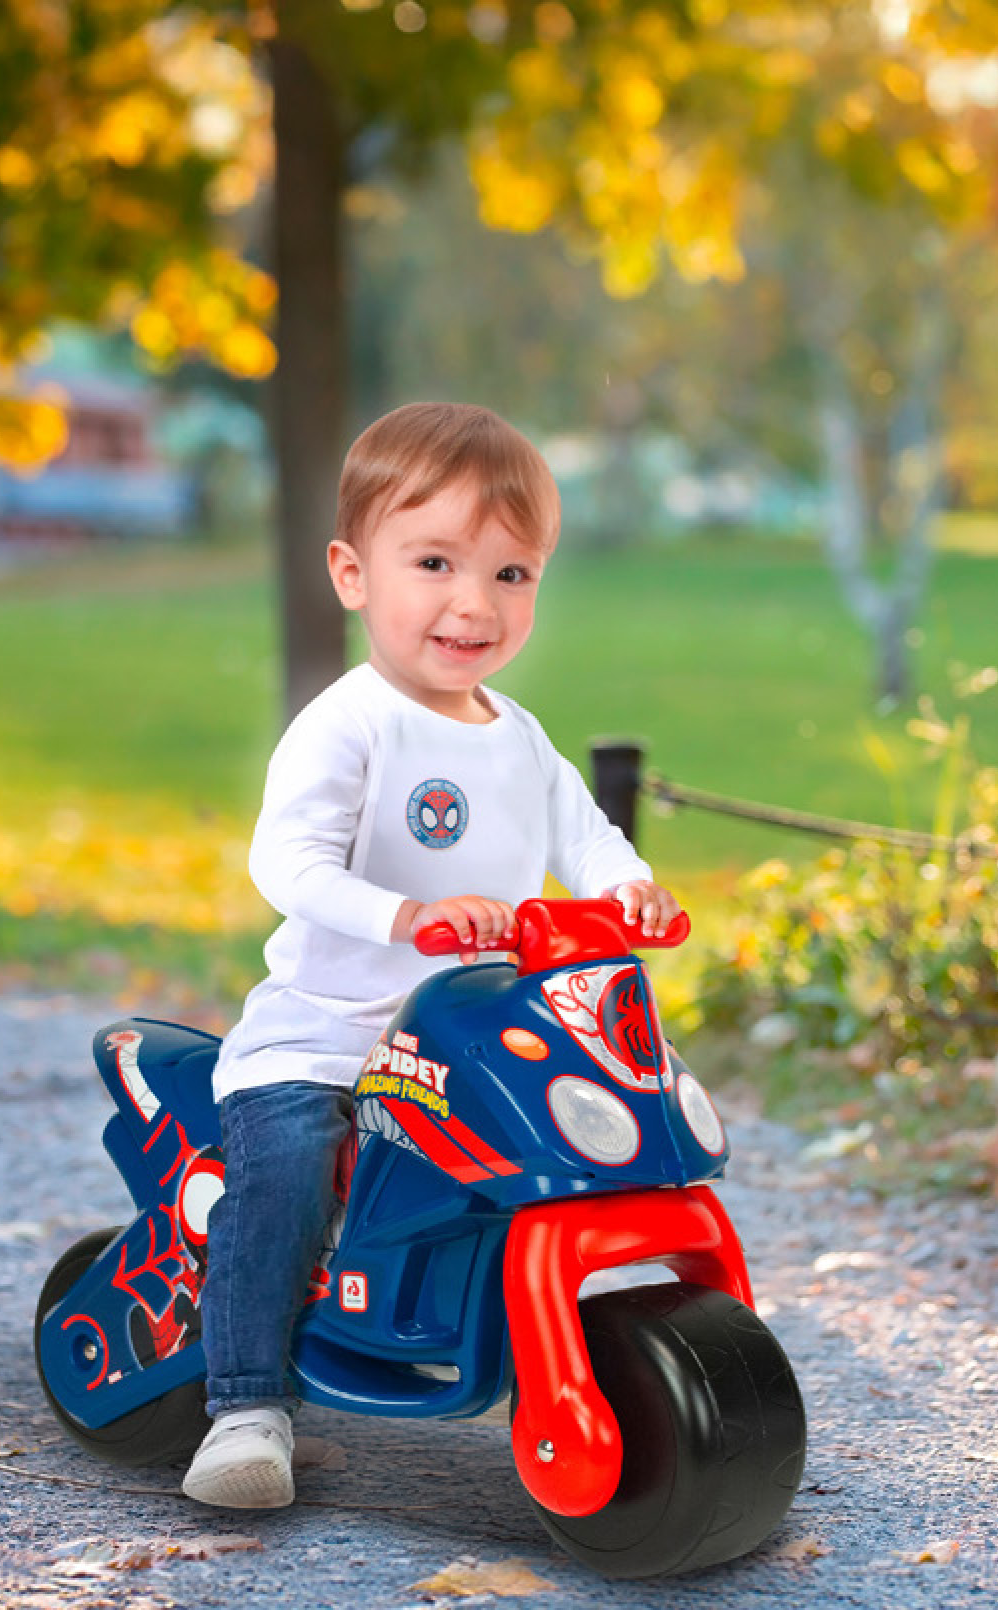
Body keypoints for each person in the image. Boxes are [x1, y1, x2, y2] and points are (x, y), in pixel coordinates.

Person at [182, 402, 681, 1509]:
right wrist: (404, 919)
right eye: (435, 561)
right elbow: (288, 861)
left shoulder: (518, 735)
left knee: (554, 1156)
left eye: (512, 574)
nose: (473, 601)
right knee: (289, 1164)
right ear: (353, 573)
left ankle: (513, 1337)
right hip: (328, 1032)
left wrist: (622, 886)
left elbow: (584, 836)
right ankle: (247, 1402)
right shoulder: (347, 723)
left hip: (460, 1041)